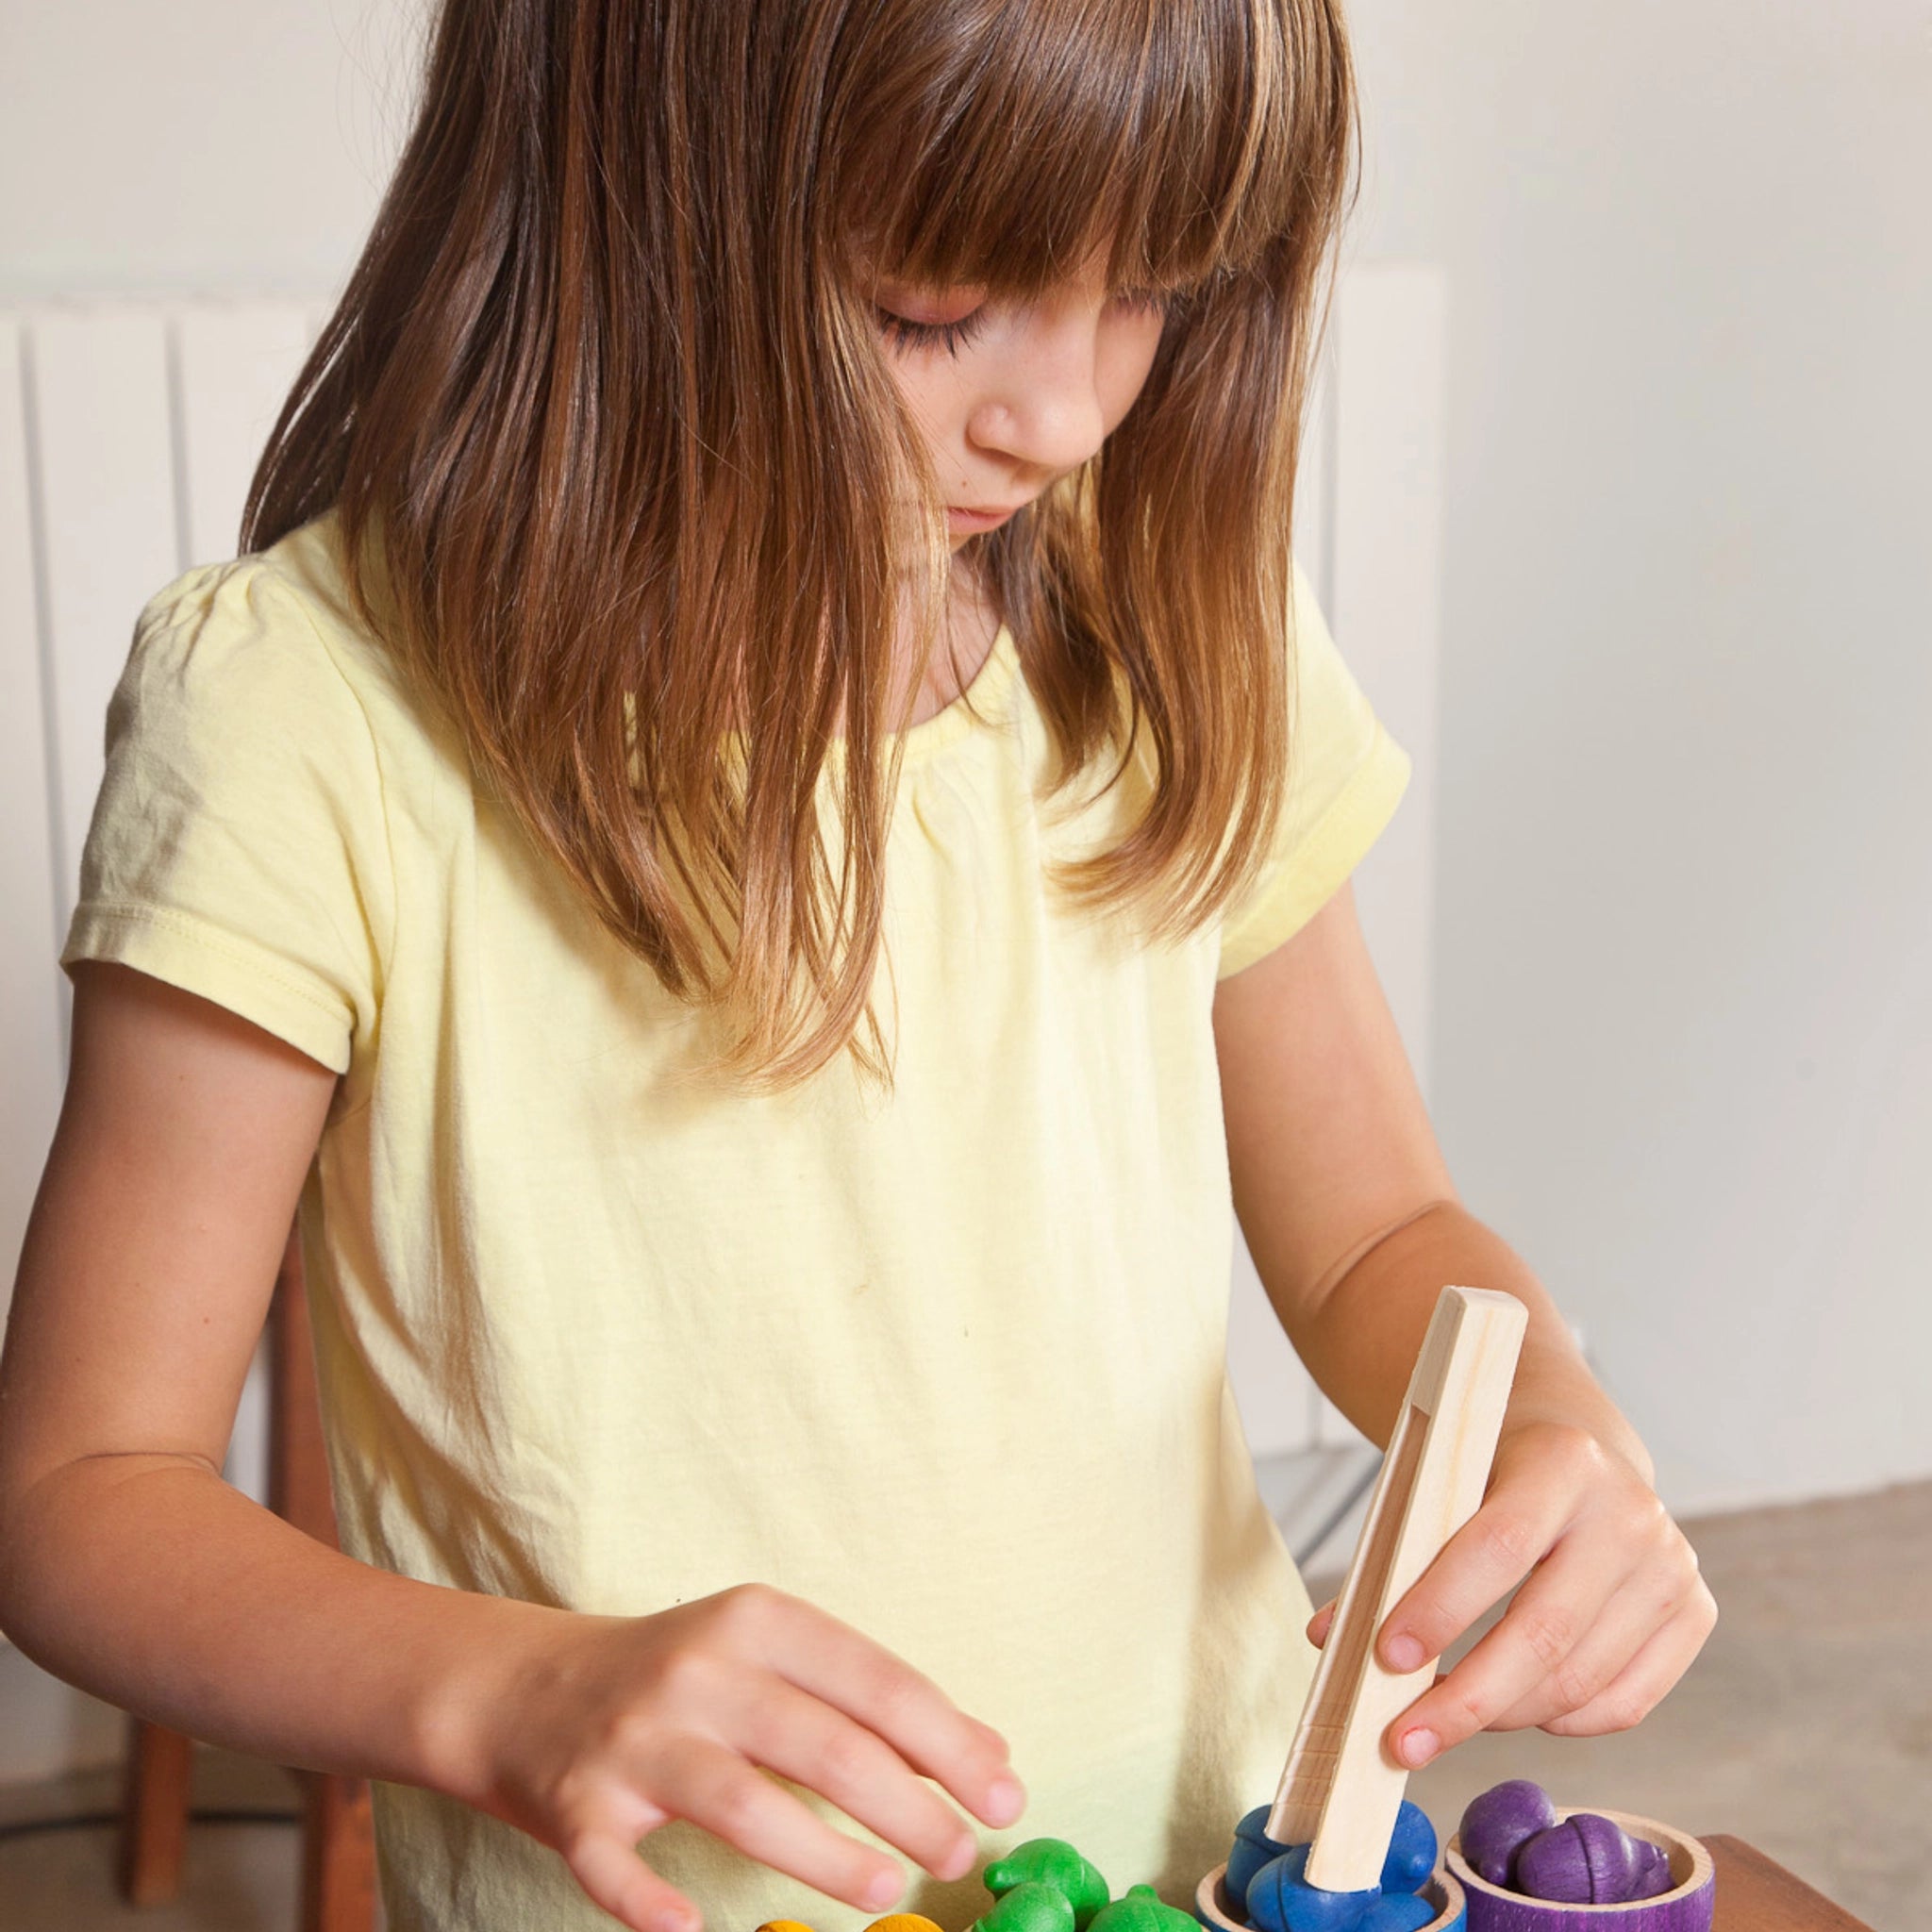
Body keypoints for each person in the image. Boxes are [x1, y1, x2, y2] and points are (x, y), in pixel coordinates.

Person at [0, 4, 1716, 1930]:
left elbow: (1372, 1229)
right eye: (930, 304)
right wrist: (509, 1691)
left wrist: (1562, 1424)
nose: (1062, 417)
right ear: (615, 206)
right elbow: (84, 1487)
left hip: (1218, 1869)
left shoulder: (1170, 621)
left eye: (1152, 285)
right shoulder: (307, 712)